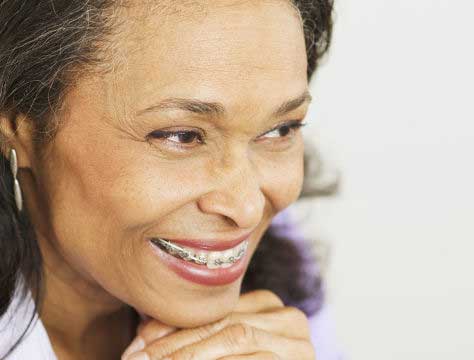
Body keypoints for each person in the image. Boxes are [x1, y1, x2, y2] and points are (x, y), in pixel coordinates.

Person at [0, 1, 342, 359]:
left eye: (280, 129)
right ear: (17, 126)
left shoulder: (282, 271)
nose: (247, 208)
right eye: (182, 136)